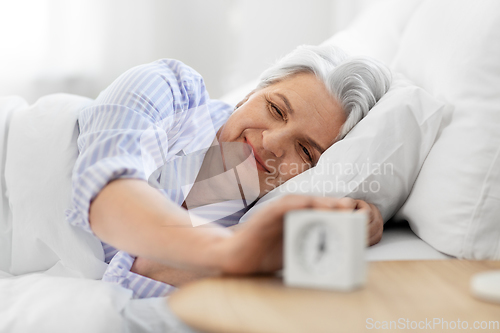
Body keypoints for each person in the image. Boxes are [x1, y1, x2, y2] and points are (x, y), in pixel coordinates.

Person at [67, 44, 390, 298]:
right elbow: (106, 193)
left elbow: (144, 271)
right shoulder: (169, 88)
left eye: (305, 151)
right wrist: (230, 251)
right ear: (249, 95)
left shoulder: (249, 218)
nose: (272, 142)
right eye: (276, 109)